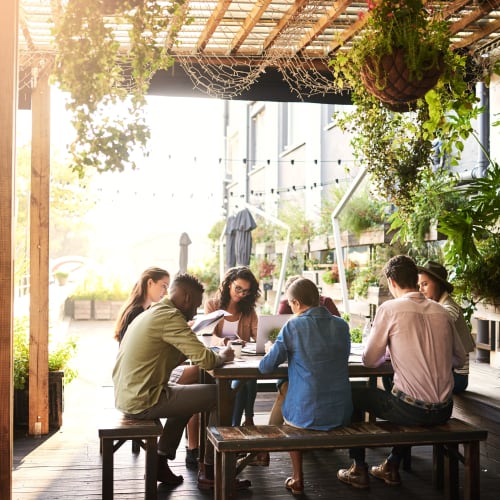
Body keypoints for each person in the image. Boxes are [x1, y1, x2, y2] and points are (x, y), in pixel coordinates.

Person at [337, 255, 466, 490]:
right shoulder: (441, 311)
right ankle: (392, 464)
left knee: (355, 394)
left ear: (391, 282)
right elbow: (460, 358)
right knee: (405, 393)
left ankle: (358, 469)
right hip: (444, 410)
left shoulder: (390, 309)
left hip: (410, 410)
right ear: (415, 280)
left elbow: (369, 360)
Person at [112, 273, 250, 490]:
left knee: (190, 393)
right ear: (185, 298)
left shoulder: (155, 311)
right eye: (195, 305)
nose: (195, 311)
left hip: (128, 394)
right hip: (142, 400)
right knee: (222, 396)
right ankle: (211, 471)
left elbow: (171, 355)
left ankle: (160, 459)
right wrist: (223, 355)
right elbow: (206, 360)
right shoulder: (170, 317)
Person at [259, 277, 352, 495]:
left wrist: (270, 349)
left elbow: (266, 367)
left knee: (291, 398)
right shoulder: (341, 325)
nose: (291, 308)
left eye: (291, 304)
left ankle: (298, 478)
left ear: (297, 303)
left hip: (306, 414)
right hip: (341, 412)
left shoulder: (293, 325)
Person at [113, 267, 200, 467]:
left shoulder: (149, 310)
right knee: (211, 388)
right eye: (163, 286)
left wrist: (184, 341)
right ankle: (204, 463)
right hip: (141, 391)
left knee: (194, 375)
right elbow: (207, 360)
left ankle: (165, 457)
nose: (165, 291)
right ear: (148, 283)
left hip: (133, 386)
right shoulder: (141, 312)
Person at [205, 266, 260, 426]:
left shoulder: (248, 310)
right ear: (229, 283)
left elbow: (258, 337)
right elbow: (208, 335)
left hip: (240, 359)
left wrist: (254, 342)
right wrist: (225, 342)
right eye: (238, 288)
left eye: (246, 291)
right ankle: (241, 423)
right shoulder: (213, 305)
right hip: (219, 359)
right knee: (244, 380)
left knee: (247, 377)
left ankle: (242, 422)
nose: (241, 294)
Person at [417, 261, 476, 394]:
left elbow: (428, 333)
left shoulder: (449, 308)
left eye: (425, 284)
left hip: (457, 377)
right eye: (419, 285)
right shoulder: (436, 307)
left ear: (439, 284)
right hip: (444, 371)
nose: (420, 289)